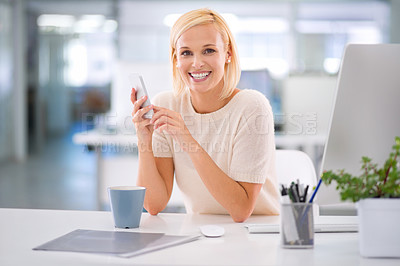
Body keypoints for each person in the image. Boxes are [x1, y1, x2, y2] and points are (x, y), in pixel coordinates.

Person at [130, 8, 279, 223]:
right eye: (186, 52)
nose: (197, 63)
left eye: (208, 50)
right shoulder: (166, 105)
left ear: (227, 54)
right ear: (176, 60)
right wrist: (144, 140)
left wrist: (187, 139)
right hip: (201, 232)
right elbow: (154, 204)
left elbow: (240, 210)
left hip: (257, 232)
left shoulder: (252, 107)